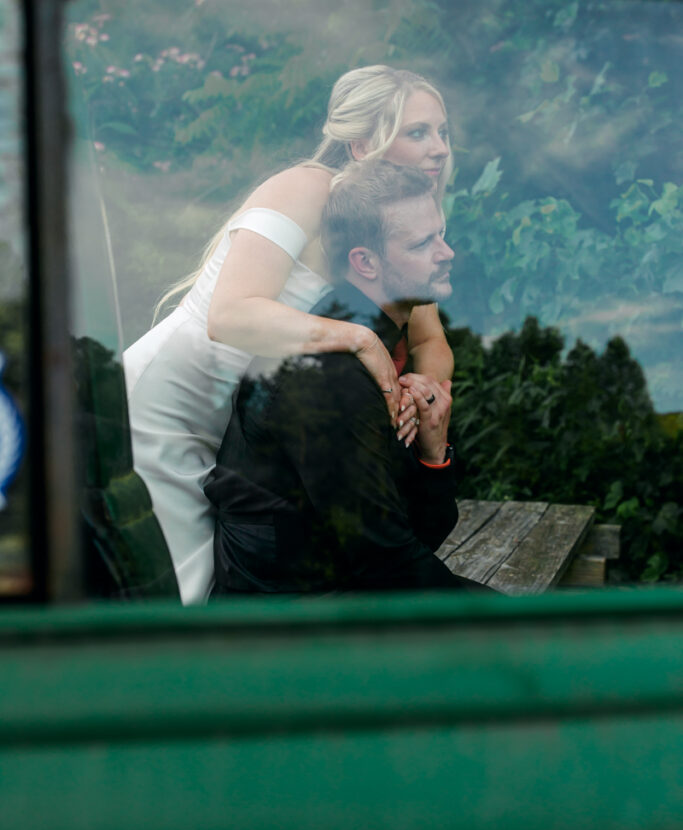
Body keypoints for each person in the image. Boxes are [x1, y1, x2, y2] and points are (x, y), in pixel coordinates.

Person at [124, 65, 455, 604]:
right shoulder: (305, 188)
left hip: (241, 430)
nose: (439, 148)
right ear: (359, 144)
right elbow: (230, 315)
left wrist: (422, 390)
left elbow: (429, 340)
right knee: (168, 599)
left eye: (443, 132)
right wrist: (360, 339)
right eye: (417, 132)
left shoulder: (389, 221)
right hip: (168, 414)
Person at [207, 161, 493, 595]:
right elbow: (388, 565)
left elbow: (406, 538)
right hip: (287, 635)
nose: (446, 252)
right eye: (422, 244)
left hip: (348, 596)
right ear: (365, 262)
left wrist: (435, 456)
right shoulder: (331, 378)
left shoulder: (372, 345)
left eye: (441, 234)